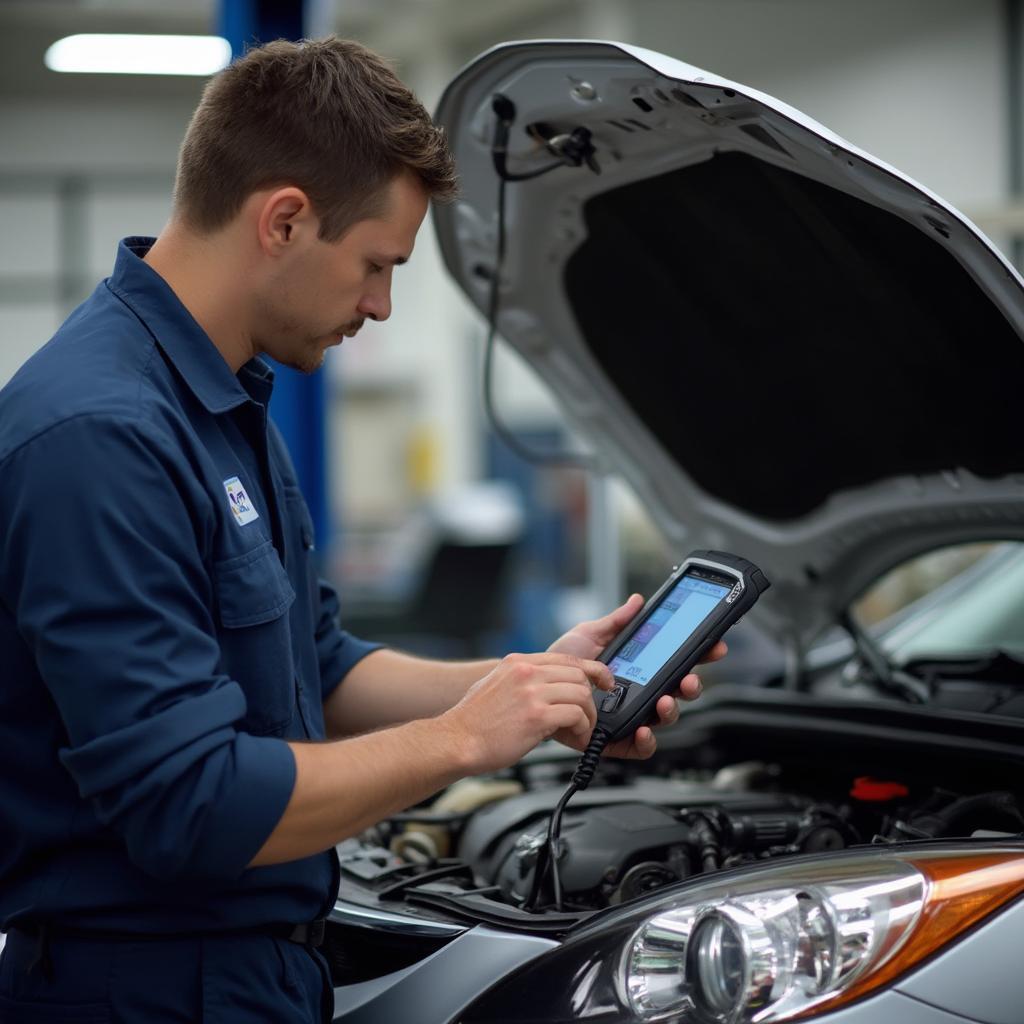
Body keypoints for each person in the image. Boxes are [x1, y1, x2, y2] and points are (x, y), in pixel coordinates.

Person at [0, 37, 724, 1023]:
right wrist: (460, 740)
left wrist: (528, 685)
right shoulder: (102, 437)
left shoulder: (224, 402)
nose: (381, 306)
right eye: (376, 266)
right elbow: (192, 801)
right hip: (149, 988)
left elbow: (322, 668)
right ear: (285, 220)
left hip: (257, 970)